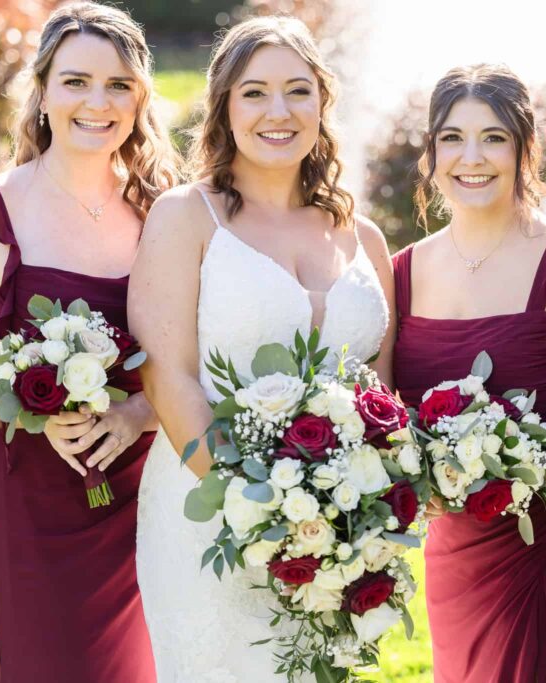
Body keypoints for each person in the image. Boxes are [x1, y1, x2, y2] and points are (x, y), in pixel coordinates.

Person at [128, 16, 395, 681]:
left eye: (298, 91)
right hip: (205, 519)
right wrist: (249, 512)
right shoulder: (188, 216)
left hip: (333, 530)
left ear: (322, 104)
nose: (278, 111)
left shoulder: (364, 237)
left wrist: (349, 519)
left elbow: (381, 397)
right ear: (223, 106)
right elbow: (167, 375)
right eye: (255, 92)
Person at [0, 4, 177, 680]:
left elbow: (193, 357)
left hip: (152, 483)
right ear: (42, 90)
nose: (99, 102)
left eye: (120, 85)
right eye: (76, 81)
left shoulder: (168, 212)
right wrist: (27, 411)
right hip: (33, 492)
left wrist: (137, 413)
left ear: (141, 97)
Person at [391, 63, 546, 683]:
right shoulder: (399, 273)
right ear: (430, 155)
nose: (470, 157)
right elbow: (384, 424)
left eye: (493, 137)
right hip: (455, 554)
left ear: (525, 149)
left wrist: (530, 461)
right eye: (451, 137)